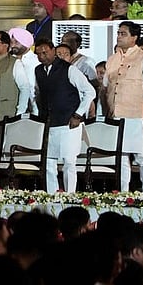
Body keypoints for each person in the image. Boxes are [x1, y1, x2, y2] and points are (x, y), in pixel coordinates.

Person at [104, 21, 143, 192]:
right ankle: (123, 193)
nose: (119, 37)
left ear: (134, 37)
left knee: (142, 156)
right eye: (118, 33)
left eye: (123, 34)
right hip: (116, 116)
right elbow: (105, 88)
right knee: (121, 157)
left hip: (137, 116)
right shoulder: (113, 59)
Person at [35, 40, 96, 194]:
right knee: (49, 161)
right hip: (49, 122)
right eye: (38, 54)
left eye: (45, 52)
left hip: (70, 122)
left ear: (53, 50)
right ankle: (52, 194)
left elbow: (90, 92)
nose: (42, 56)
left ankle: (69, 194)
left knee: (69, 161)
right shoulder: (38, 71)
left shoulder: (69, 69)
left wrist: (78, 114)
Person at [0, 30, 31, 120]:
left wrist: (20, 112)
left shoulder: (15, 63)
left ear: (5, 45)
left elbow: (25, 88)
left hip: (7, 114)